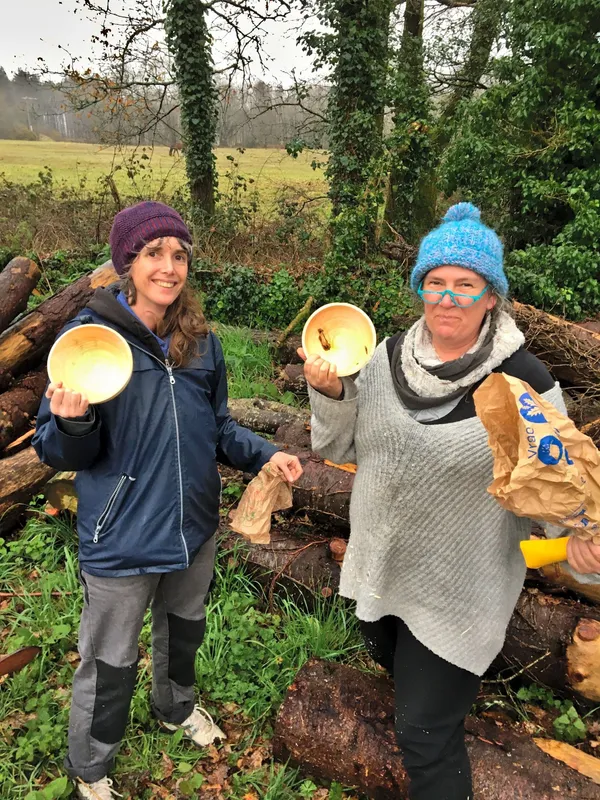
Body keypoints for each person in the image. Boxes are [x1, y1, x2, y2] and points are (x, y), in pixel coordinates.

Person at [300, 202, 600, 800]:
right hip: (382, 569)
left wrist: (583, 537)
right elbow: (335, 444)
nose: (448, 298)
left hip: (462, 593)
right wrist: (331, 392)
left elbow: (561, 486)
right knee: (399, 680)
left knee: (423, 736)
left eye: (466, 285)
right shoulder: (383, 359)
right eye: (436, 283)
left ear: (492, 296)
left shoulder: (523, 381)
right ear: (420, 289)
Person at [33, 201, 303, 800]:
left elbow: (218, 426)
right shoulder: (88, 341)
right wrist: (72, 423)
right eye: (154, 253)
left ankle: (175, 709)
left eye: (179, 254)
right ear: (127, 262)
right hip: (122, 532)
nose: (169, 266)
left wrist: (264, 454)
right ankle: (91, 768)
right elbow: (58, 452)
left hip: (192, 526)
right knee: (109, 660)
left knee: (184, 630)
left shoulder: (201, 343)